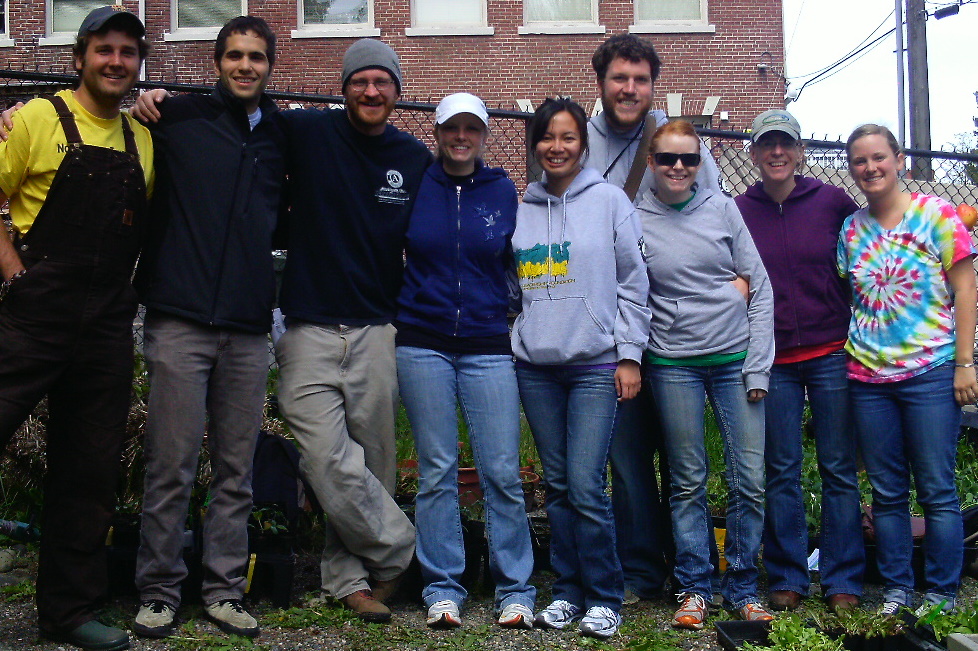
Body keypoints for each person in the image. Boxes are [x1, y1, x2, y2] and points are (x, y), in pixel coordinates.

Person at [122, 16, 286, 639]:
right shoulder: (177, 120)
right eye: (235, 56)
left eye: (257, 58)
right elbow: (112, 124)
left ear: (271, 66)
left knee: (236, 470)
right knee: (171, 464)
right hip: (179, 321)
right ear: (217, 62)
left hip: (246, 328)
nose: (246, 67)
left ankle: (223, 589)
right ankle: (159, 591)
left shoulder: (280, 134)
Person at [0, 7, 153, 650]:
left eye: (126, 51)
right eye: (103, 50)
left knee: (87, 473)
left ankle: (69, 613)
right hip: (32, 318)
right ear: (80, 57)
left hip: (105, 329)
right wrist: (12, 272)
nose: (115, 61)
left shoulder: (143, 139)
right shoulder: (35, 119)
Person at [273, 38, 433, 623]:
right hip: (308, 326)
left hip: (376, 329)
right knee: (323, 458)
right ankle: (403, 548)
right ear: (343, 89)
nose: (371, 91)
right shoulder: (309, 133)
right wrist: (159, 99)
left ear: (396, 91)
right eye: (360, 81)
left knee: (373, 461)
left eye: (382, 81)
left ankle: (353, 579)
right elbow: (238, 115)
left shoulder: (413, 158)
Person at [586, 32, 725, 603]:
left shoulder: (673, 140)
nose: (630, 88)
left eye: (640, 79)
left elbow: (717, 211)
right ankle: (642, 568)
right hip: (608, 329)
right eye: (620, 77)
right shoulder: (580, 140)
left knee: (684, 455)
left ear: (653, 85)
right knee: (627, 455)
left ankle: (693, 568)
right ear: (601, 82)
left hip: (673, 330)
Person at [395, 92, 536, 629]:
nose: (461, 137)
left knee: (501, 470)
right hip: (422, 341)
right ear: (437, 133)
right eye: (451, 127)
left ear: (484, 135)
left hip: (486, 343)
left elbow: (514, 260)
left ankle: (515, 587)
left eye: (471, 129)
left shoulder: (501, 189)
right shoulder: (416, 182)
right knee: (437, 471)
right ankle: (443, 586)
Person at [512, 97, 650, 640]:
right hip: (536, 366)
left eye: (568, 137)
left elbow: (634, 282)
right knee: (558, 484)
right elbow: (508, 282)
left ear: (582, 144)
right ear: (535, 145)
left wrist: (628, 353)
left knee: (587, 483)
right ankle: (567, 592)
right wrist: (515, 333)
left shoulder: (611, 201)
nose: (557, 147)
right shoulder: (520, 207)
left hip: (595, 363)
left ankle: (605, 595)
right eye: (547, 137)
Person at [636, 119, 774, 630]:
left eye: (688, 159)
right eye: (668, 158)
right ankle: (694, 587)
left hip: (735, 362)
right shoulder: (634, 219)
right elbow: (629, 292)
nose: (678, 167)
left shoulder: (723, 209)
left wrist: (758, 365)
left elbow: (759, 288)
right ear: (651, 163)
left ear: (701, 163)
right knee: (688, 480)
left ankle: (740, 587)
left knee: (750, 477)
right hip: (672, 363)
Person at [838, 124, 976, 616]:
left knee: (937, 487)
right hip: (868, 379)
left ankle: (940, 591)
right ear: (852, 168)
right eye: (860, 161)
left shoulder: (936, 215)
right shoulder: (851, 230)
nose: (870, 168)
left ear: (900, 161)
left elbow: (965, 289)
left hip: (932, 373)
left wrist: (965, 364)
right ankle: (897, 590)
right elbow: (850, 298)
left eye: (879, 157)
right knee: (887, 491)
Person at [735, 110, 864, 613]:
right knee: (781, 468)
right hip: (774, 358)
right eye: (767, 144)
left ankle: (843, 579)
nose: (776, 153)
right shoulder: (739, 210)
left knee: (838, 468)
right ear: (754, 153)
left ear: (800, 150)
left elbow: (864, 256)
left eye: (785, 144)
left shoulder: (832, 202)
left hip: (832, 350)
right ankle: (788, 574)